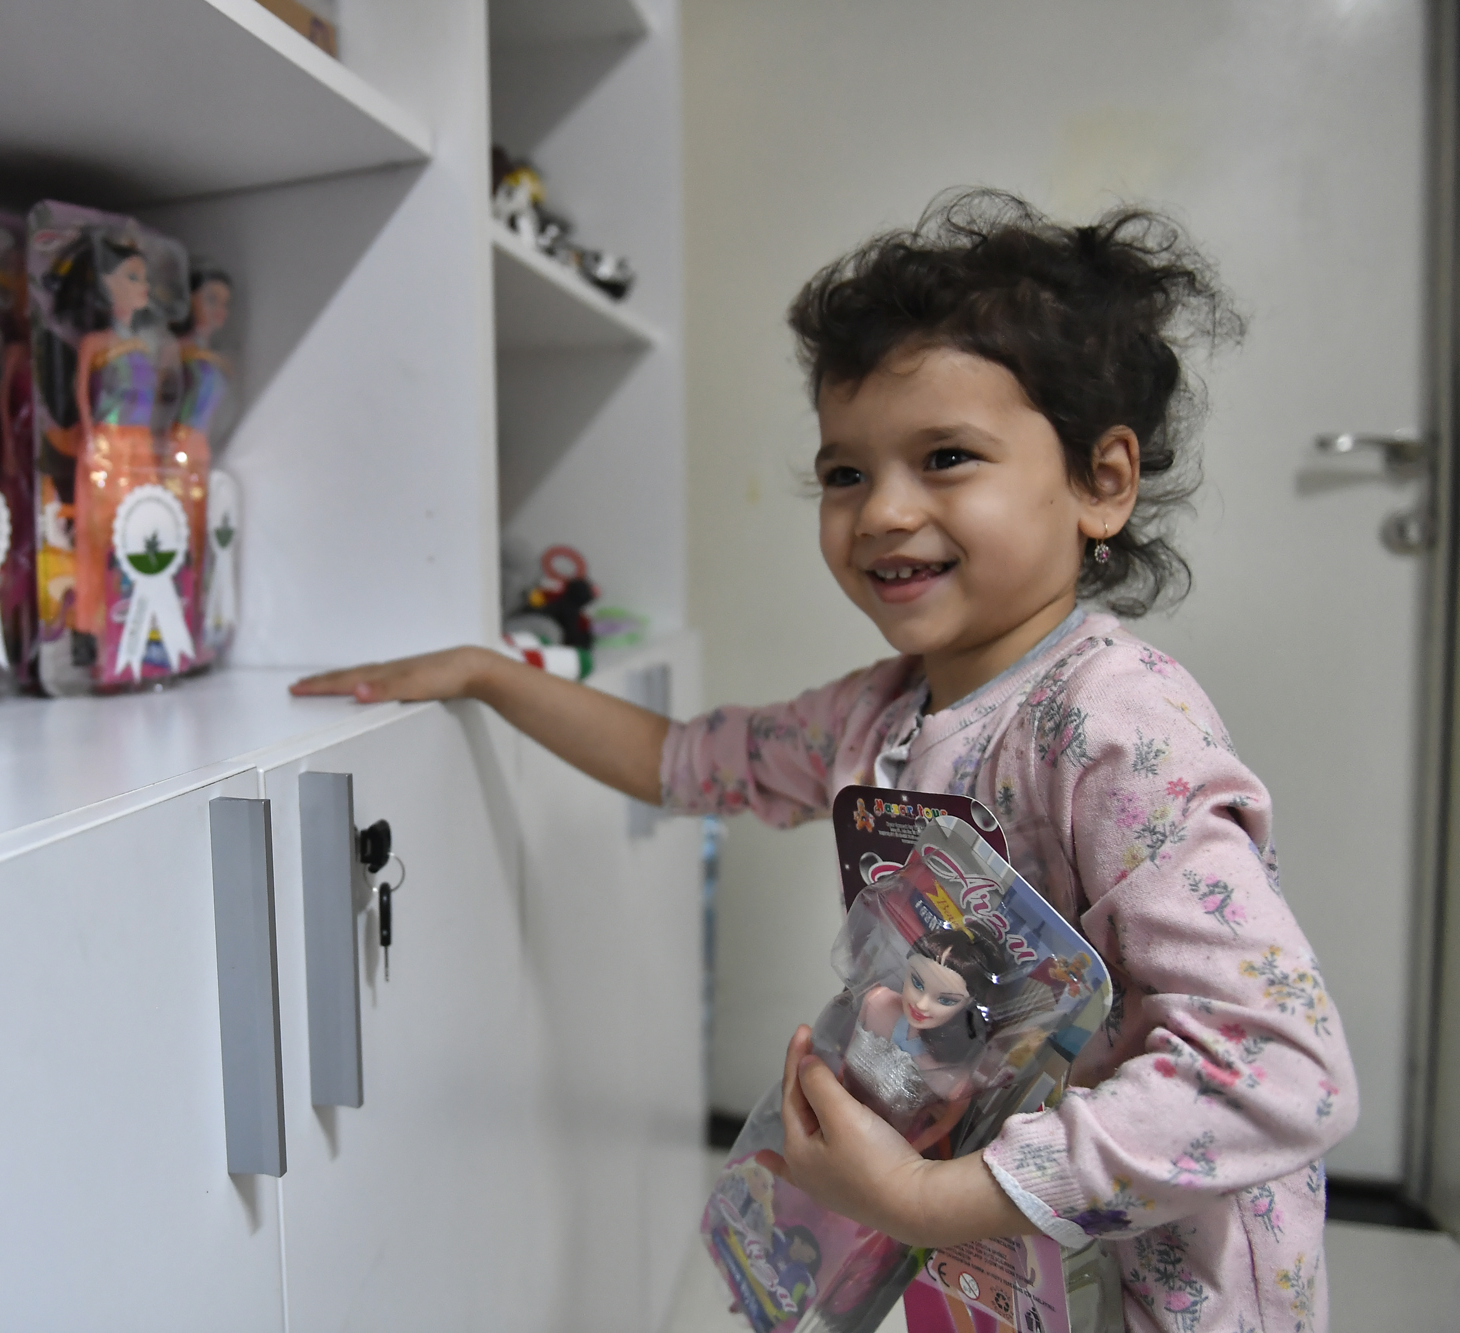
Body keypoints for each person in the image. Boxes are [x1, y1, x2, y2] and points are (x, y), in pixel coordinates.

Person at [293, 190, 1355, 1332]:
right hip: (1000, 1272)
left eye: (945, 457)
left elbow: (1275, 1069)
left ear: (1101, 483)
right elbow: (679, 759)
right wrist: (489, 675)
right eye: (844, 473)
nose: (882, 511)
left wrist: (928, 1197)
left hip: (1167, 1292)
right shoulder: (876, 715)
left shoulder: (1117, 727)